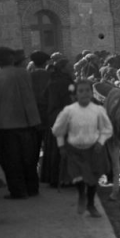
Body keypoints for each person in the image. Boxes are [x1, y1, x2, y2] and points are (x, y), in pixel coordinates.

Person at [0, 47, 42, 199]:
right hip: (29, 122)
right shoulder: (25, 74)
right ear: (12, 59)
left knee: (10, 159)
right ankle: (32, 188)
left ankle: (18, 191)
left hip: (5, 125)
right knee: (29, 158)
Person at [52, 79, 113, 217]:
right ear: (75, 95)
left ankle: (91, 204)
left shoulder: (98, 110)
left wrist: (101, 141)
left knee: (92, 178)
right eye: (81, 91)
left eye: (87, 90)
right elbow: (58, 130)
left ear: (92, 93)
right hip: (75, 150)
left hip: (94, 150)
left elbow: (107, 128)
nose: (85, 93)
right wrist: (61, 146)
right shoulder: (68, 111)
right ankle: (81, 195)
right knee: (79, 177)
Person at [39, 59, 75, 187]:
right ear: (63, 69)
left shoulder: (53, 81)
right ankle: (66, 179)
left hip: (54, 118)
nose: (73, 70)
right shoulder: (66, 83)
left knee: (54, 149)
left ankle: (54, 178)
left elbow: (44, 100)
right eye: (71, 68)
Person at [29, 50, 51, 159]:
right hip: (47, 113)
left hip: (32, 114)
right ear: (45, 63)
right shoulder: (49, 76)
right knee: (48, 145)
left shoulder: (28, 76)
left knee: (33, 146)